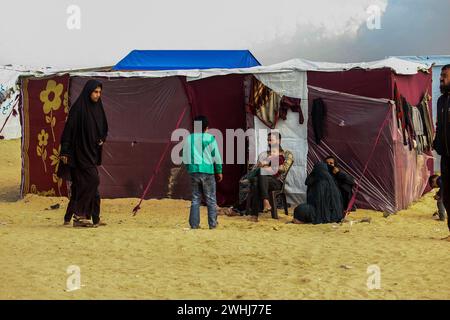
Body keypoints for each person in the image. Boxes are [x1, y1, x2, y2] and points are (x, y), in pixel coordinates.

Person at [58, 79, 108, 228]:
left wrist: (101, 139)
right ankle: (79, 216)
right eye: (95, 92)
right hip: (79, 153)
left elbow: (103, 126)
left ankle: (92, 218)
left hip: (91, 152)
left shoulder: (98, 107)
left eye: (99, 92)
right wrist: (65, 151)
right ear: (88, 92)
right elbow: (68, 131)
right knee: (92, 181)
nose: (97, 95)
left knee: (82, 186)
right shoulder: (78, 109)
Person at [182, 116, 223, 229]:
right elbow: (216, 156)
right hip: (208, 171)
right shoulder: (210, 138)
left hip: (194, 171)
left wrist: (189, 168)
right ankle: (212, 224)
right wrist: (219, 171)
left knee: (195, 198)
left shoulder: (189, 139)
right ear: (206, 127)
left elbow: (185, 156)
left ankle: (194, 225)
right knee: (211, 198)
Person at [248, 132, 294, 222]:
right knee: (258, 179)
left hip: (277, 182)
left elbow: (284, 168)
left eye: (271, 140)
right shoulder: (265, 154)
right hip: (263, 180)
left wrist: (269, 167)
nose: (269, 143)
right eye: (268, 140)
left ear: (279, 141)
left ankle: (255, 214)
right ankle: (266, 202)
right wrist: (259, 165)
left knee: (260, 176)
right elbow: (255, 169)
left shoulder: (287, 154)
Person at [433, 64, 450, 241]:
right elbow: (439, 125)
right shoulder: (441, 101)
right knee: (447, 197)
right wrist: (437, 142)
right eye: (440, 76)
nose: (441, 78)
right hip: (445, 157)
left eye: (444, 75)